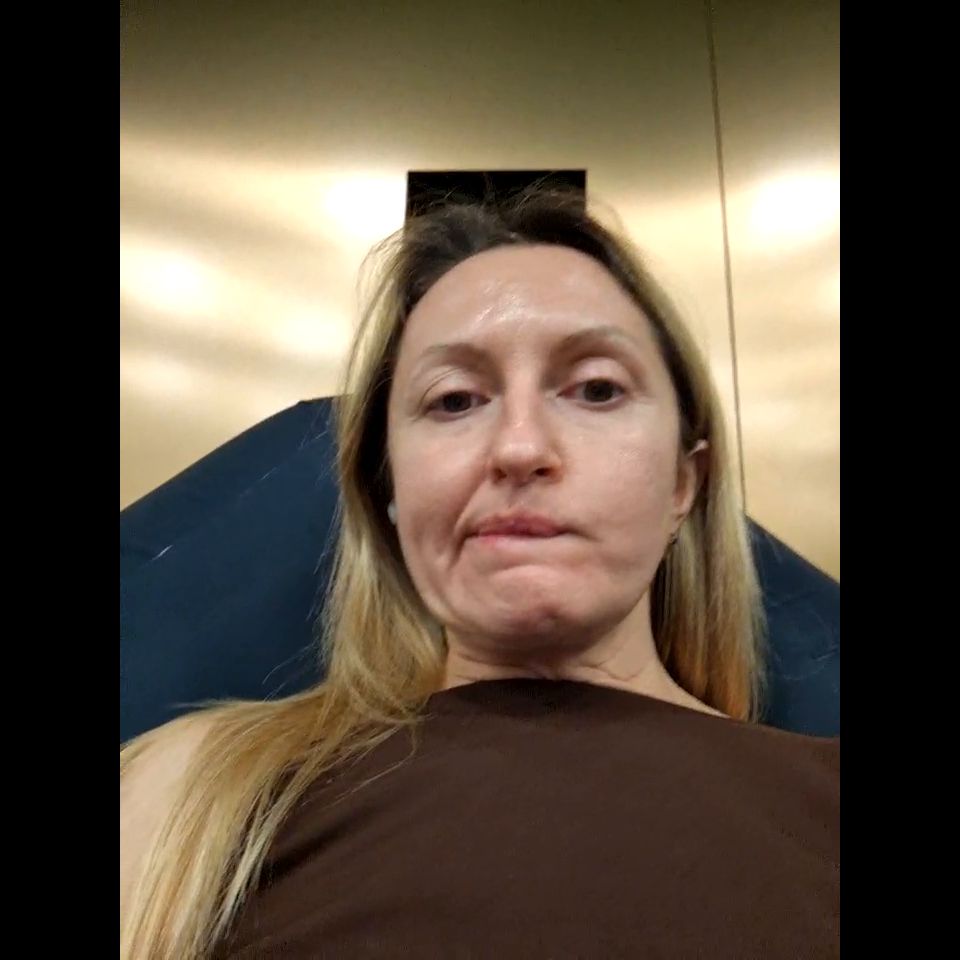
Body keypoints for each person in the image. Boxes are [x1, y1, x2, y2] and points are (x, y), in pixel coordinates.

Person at [120, 189, 839, 959]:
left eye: (597, 388)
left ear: (682, 485)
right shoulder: (191, 791)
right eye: (455, 400)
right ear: (391, 493)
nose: (520, 447)